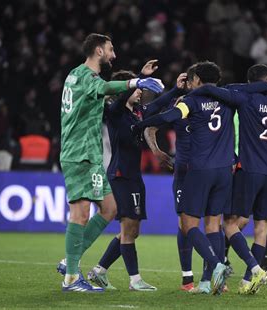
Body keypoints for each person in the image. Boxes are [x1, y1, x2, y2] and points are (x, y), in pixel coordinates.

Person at [133, 61, 267, 295]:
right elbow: (256, 89)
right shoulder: (230, 98)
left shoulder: (190, 102)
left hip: (199, 170)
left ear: (196, 80)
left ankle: (217, 265)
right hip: (225, 171)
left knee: (187, 223)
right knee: (214, 223)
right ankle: (208, 282)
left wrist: (140, 125)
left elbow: (169, 116)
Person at [189, 64, 267, 293]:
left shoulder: (245, 99)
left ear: (250, 82)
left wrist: (193, 92)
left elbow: (219, 90)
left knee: (229, 223)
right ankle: (248, 281)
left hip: (248, 169)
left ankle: (254, 267)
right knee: (262, 225)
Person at [57, 33, 164, 293]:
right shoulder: (86, 77)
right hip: (79, 152)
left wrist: (137, 79)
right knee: (80, 214)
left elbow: (110, 94)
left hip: (90, 155)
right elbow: (106, 88)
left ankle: (68, 262)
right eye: (111, 49)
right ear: (98, 51)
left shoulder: (75, 74)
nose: (114, 55)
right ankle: (71, 277)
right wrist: (136, 80)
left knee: (109, 208)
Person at [86, 66, 185, 292]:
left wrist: (175, 90)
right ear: (125, 90)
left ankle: (100, 270)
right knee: (128, 228)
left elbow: (158, 105)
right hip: (120, 175)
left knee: (132, 230)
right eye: (136, 88)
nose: (140, 91)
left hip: (134, 177)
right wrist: (140, 79)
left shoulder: (136, 112)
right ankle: (135, 280)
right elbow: (121, 99)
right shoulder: (115, 110)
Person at [143, 73, 195, 291]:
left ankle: (214, 272)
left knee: (214, 221)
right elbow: (151, 127)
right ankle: (187, 278)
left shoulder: (214, 105)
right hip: (184, 172)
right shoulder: (180, 106)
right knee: (184, 224)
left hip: (208, 171)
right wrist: (156, 151)